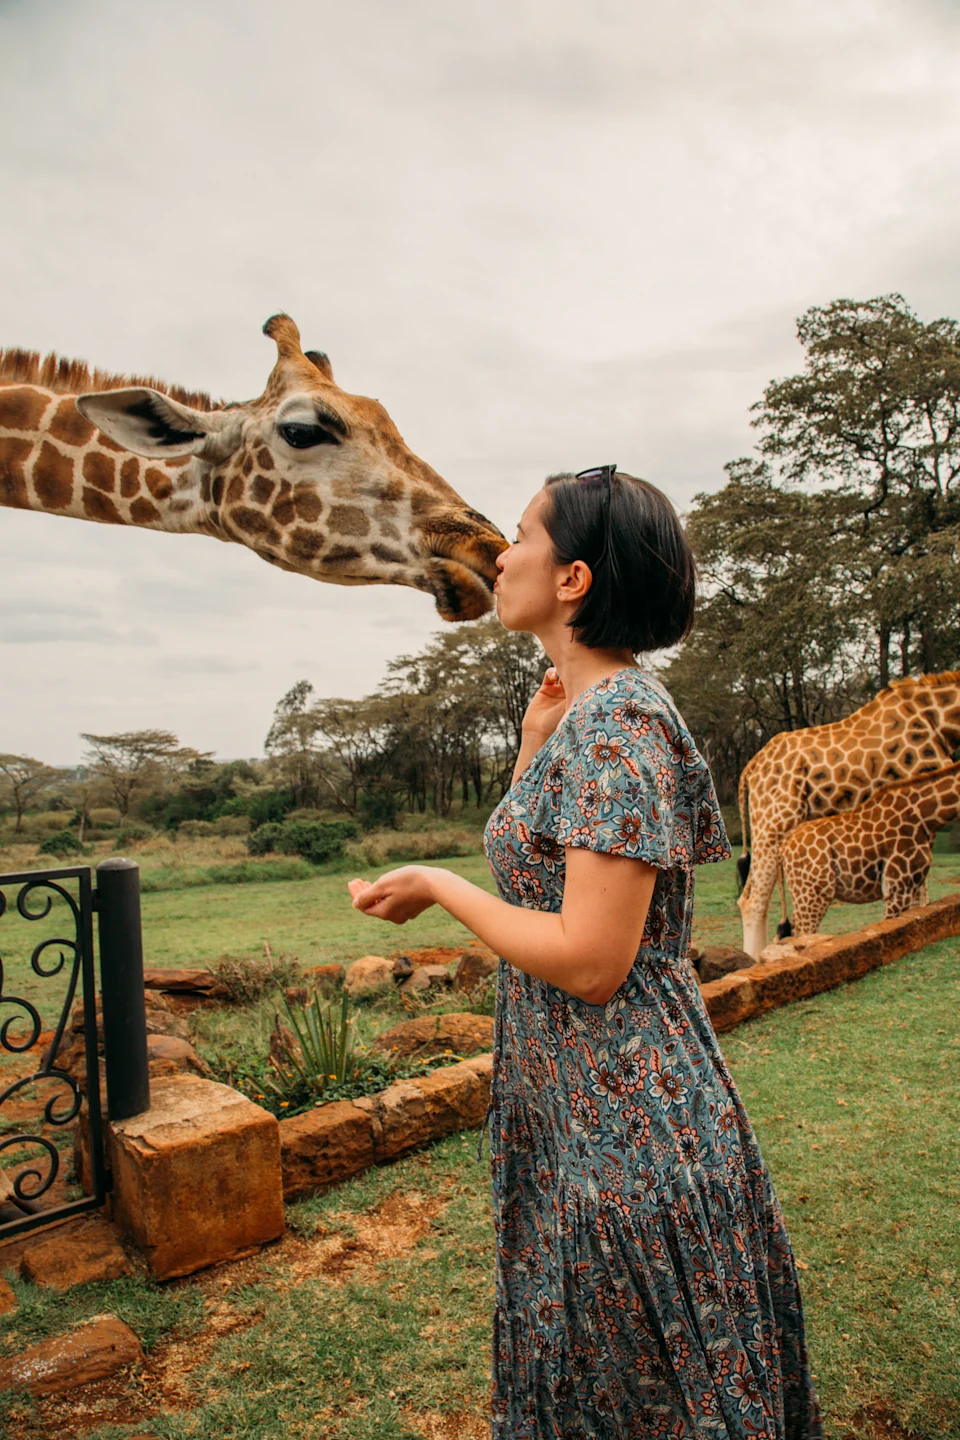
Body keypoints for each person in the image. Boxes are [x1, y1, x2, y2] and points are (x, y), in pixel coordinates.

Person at [348, 465, 822, 1439]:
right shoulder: (586, 722)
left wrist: (442, 888)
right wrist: (531, 743)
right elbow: (542, 878)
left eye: (521, 533)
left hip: (629, 1120)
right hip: (577, 1105)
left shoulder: (620, 732)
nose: (502, 553)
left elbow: (591, 959)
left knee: (641, 1394)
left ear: (571, 577)